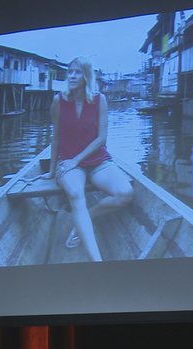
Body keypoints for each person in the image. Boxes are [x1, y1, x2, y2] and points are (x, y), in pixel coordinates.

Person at [43, 56, 133, 262]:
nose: (72, 76)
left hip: (97, 160)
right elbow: (55, 137)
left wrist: (77, 159)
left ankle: (83, 219)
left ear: (87, 76)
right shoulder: (59, 100)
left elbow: (101, 139)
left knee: (125, 194)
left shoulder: (100, 99)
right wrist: (51, 171)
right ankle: (97, 263)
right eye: (70, 72)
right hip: (68, 162)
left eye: (78, 72)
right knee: (75, 193)